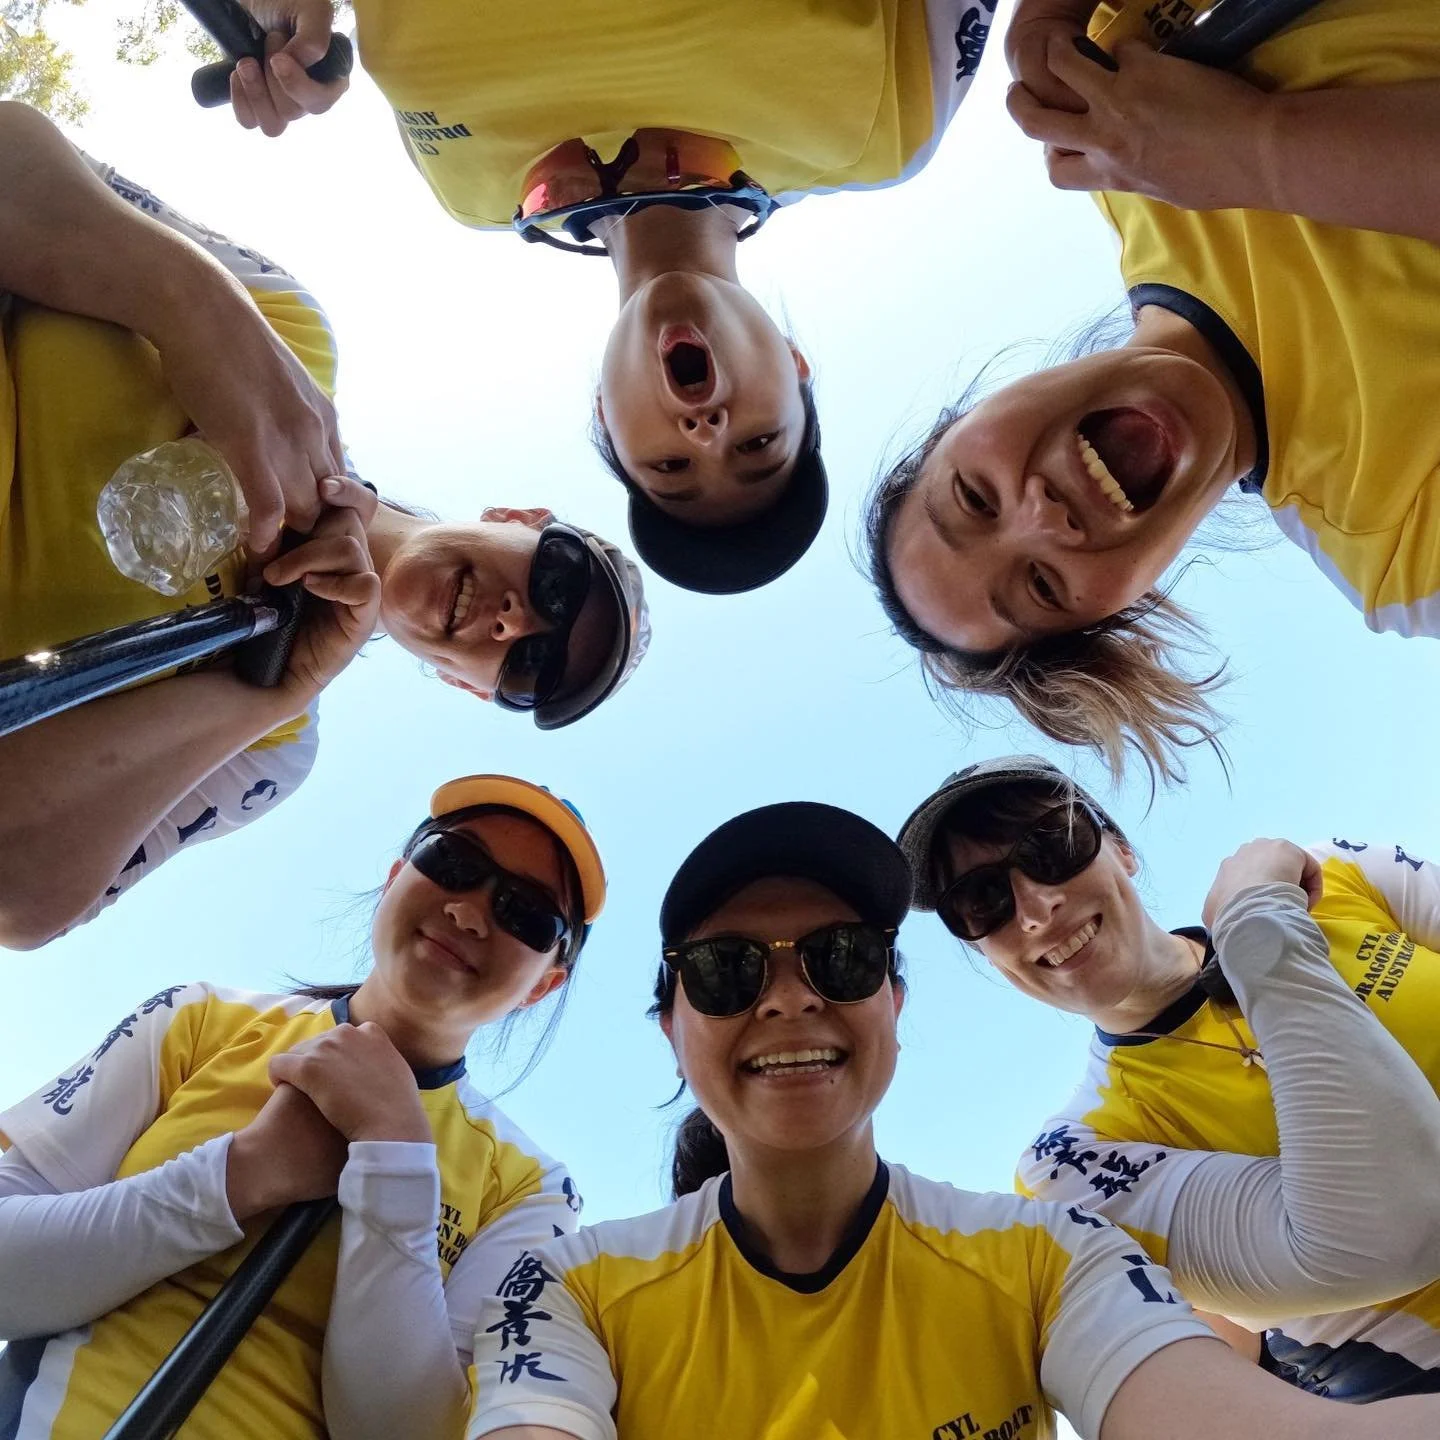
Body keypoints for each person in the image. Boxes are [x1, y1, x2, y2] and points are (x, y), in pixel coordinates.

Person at [463, 800, 1440, 1439]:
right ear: (672, 1030)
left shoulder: (1048, 1258)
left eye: (842, 957)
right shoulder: (568, 1288)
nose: (790, 997)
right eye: (727, 971)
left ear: (894, 1003)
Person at [0, 105, 649, 950]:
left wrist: (267, 690)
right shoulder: (290, 336)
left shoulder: (269, 749)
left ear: (467, 687)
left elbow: (20, 900)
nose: (514, 621)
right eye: (555, 583)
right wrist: (189, 307)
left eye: (530, 666)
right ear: (520, 518)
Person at [218, 0, 995, 595]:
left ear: (604, 415)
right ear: (795, 368)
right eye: (758, 446)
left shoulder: (471, 193)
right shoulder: (891, 124)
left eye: (669, 464)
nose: (705, 429)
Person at [862, 0, 1440, 780]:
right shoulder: (1404, 550)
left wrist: (1045, 25)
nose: (1043, 516)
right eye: (1041, 585)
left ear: (968, 417)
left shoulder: (1116, 141)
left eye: (974, 496)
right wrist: (1259, 146)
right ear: (1123, 603)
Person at [0, 772, 601, 1440]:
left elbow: (412, 1431)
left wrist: (395, 1162)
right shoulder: (198, 1020)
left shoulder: (530, 1188)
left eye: (526, 913)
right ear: (395, 877)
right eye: (453, 862)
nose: (469, 911)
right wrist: (244, 1172)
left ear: (542, 985)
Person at [897, 753, 1440, 1400]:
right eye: (981, 900)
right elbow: (1379, 1241)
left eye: (1053, 848)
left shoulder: (1338, 878)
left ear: (1121, 849)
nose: (1037, 909)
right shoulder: (1072, 1162)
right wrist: (1258, 931)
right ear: (982, 949)